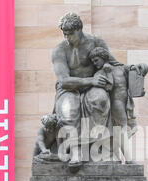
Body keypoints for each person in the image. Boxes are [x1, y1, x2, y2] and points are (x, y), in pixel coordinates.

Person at [51, 12, 119, 167]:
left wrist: (135, 69)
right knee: (69, 109)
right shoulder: (59, 50)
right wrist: (91, 80)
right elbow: (64, 80)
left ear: (79, 29)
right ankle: (75, 152)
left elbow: (113, 64)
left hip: (93, 86)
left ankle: (102, 150)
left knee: (100, 100)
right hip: (68, 89)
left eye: (70, 34)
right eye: (64, 34)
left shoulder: (96, 42)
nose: (67, 38)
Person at [88, 47, 138, 164]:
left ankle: (123, 157)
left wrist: (137, 67)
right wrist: (107, 72)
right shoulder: (100, 72)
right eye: (93, 62)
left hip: (126, 102)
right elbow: (108, 88)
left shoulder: (120, 68)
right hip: (116, 103)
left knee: (122, 129)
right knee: (122, 129)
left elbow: (130, 69)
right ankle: (129, 159)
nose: (95, 64)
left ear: (103, 57)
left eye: (96, 60)